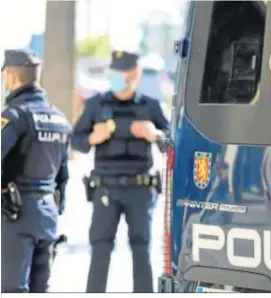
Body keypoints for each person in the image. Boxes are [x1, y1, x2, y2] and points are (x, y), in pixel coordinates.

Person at [71, 50, 169, 293]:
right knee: (100, 250)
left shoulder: (151, 105)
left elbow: (171, 141)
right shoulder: (96, 105)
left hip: (140, 189)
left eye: (125, 74)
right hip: (106, 189)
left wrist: (155, 134)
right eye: (115, 73)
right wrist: (93, 137)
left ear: (135, 75)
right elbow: (75, 140)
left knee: (142, 250)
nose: (119, 78)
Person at [1, 49, 72, 292]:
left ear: (11, 77)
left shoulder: (14, 116)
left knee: (12, 290)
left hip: (15, 216)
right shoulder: (60, 119)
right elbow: (63, 177)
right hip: (48, 217)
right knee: (40, 289)